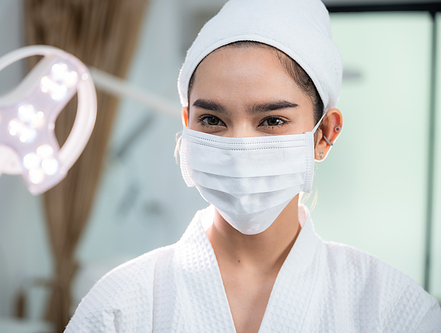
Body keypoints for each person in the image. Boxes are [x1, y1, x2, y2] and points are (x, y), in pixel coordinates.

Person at [65, 0, 441, 332]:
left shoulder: (390, 309)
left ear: (323, 134)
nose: (239, 147)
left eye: (272, 120)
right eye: (213, 119)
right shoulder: (119, 307)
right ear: (187, 124)